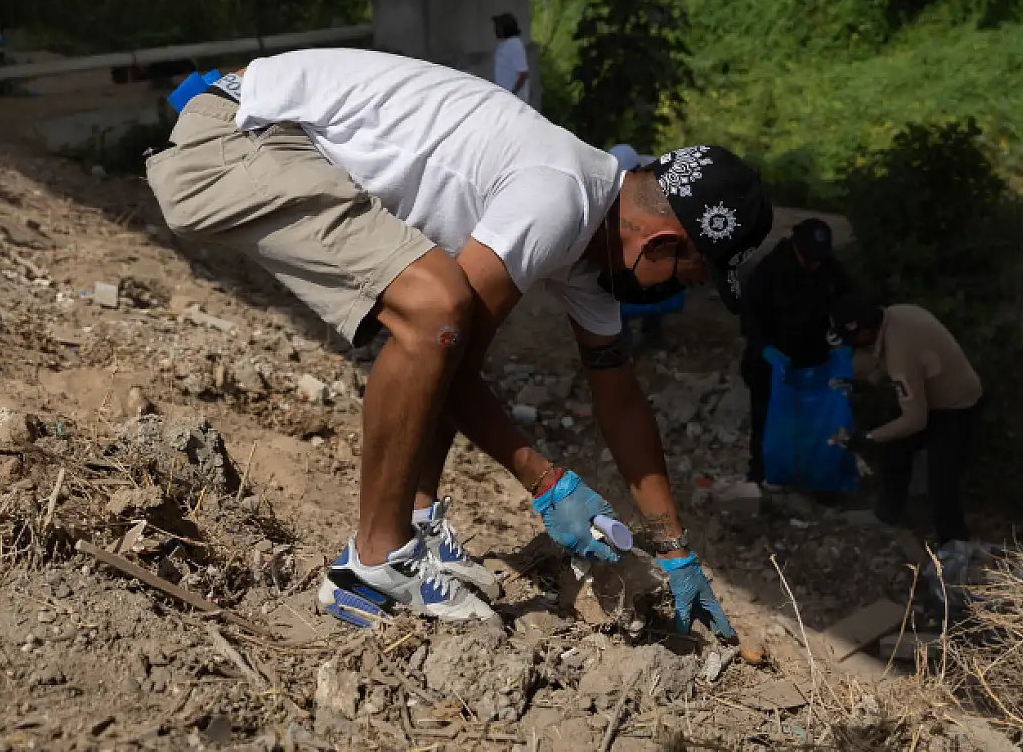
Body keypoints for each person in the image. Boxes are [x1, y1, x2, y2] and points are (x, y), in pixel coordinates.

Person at [145, 48, 769, 637]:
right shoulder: (558, 197)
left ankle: (412, 522)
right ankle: (369, 564)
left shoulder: (592, 246)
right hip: (236, 137)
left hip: (263, 133)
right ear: (660, 244)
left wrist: (675, 548)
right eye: (687, 278)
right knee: (436, 309)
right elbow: (445, 340)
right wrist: (544, 478)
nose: (677, 294)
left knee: (452, 331)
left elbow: (621, 401)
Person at [838, 302, 982, 546]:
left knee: (941, 485)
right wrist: (870, 382)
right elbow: (907, 365)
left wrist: (867, 439)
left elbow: (915, 419)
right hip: (935, 396)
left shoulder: (899, 352)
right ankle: (887, 515)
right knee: (896, 449)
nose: (853, 344)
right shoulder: (896, 315)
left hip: (958, 409)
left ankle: (955, 553)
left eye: (854, 337)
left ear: (868, 329)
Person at [738, 219, 852, 483]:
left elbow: (849, 303)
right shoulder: (770, 271)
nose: (815, 264)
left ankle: (811, 471)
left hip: (814, 358)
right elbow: (750, 316)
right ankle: (761, 470)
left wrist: (844, 342)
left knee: (813, 418)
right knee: (766, 414)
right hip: (772, 359)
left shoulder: (830, 269)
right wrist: (764, 347)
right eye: (810, 258)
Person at [608, 144, 680, 349]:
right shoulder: (606, 182)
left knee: (659, 279)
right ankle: (623, 339)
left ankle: (652, 330)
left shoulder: (659, 174)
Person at [492, 14, 531, 105]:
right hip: (504, 96)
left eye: (498, 27)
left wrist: (513, 93)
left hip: (515, 99)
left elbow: (523, 74)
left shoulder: (515, 45)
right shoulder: (502, 45)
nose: (495, 30)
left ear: (506, 28)